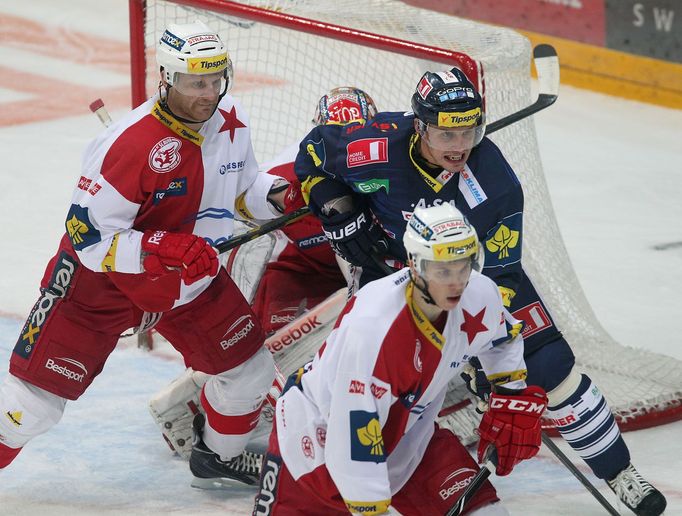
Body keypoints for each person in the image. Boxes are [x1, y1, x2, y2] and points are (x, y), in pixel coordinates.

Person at [294, 68, 666, 515]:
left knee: (550, 365)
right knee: (376, 383)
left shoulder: (495, 184)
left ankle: (620, 473)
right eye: (446, 133)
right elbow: (313, 152)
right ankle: (363, 473)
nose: (459, 146)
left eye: (469, 130)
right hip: (395, 278)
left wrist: (481, 350)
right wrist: (337, 206)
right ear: (419, 125)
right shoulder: (373, 146)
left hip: (477, 279)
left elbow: (500, 279)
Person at [0, 20, 292, 488]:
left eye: (216, 79)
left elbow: (243, 190)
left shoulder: (230, 120)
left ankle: (217, 457)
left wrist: (279, 196)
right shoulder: (131, 143)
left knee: (250, 373)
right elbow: (87, 235)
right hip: (98, 285)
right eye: (196, 81)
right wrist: (163, 245)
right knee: (29, 408)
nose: (209, 93)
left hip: (188, 280)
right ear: (168, 78)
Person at [252, 204, 547, 515]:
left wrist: (509, 393)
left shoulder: (479, 294)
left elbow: (502, 337)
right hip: (318, 454)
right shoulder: (374, 330)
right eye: (442, 270)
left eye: (463, 266)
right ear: (414, 265)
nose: (456, 282)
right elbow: (353, 446)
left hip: (411, 441)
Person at [148, 87, 378, 460]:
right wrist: (227, 332)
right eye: (334, 141)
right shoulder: (286, 181)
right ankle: (228, 416)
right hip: (296, 273)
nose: (345, 154)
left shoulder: (392, 166)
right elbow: (242, 247)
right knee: (264, 359)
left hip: (359, 274)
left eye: (357, 140)